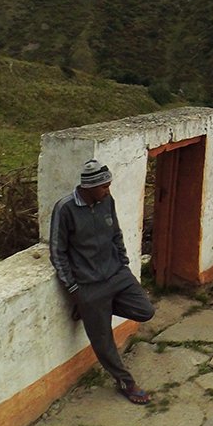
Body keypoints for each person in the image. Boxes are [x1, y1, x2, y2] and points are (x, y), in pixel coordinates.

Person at [50, 160, 156, 404]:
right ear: (88, 187)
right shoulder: (65, 209)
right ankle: (125, 382)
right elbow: (57, 252)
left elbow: (116, 233)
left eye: (108, 186)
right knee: (103, 341)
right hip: (88, 285)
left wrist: (124, 262)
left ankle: (91, 311)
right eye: (104, 187)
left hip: (117, 274)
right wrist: (75, 290)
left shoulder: (107, 201)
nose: (108, 191)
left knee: (145, 310)